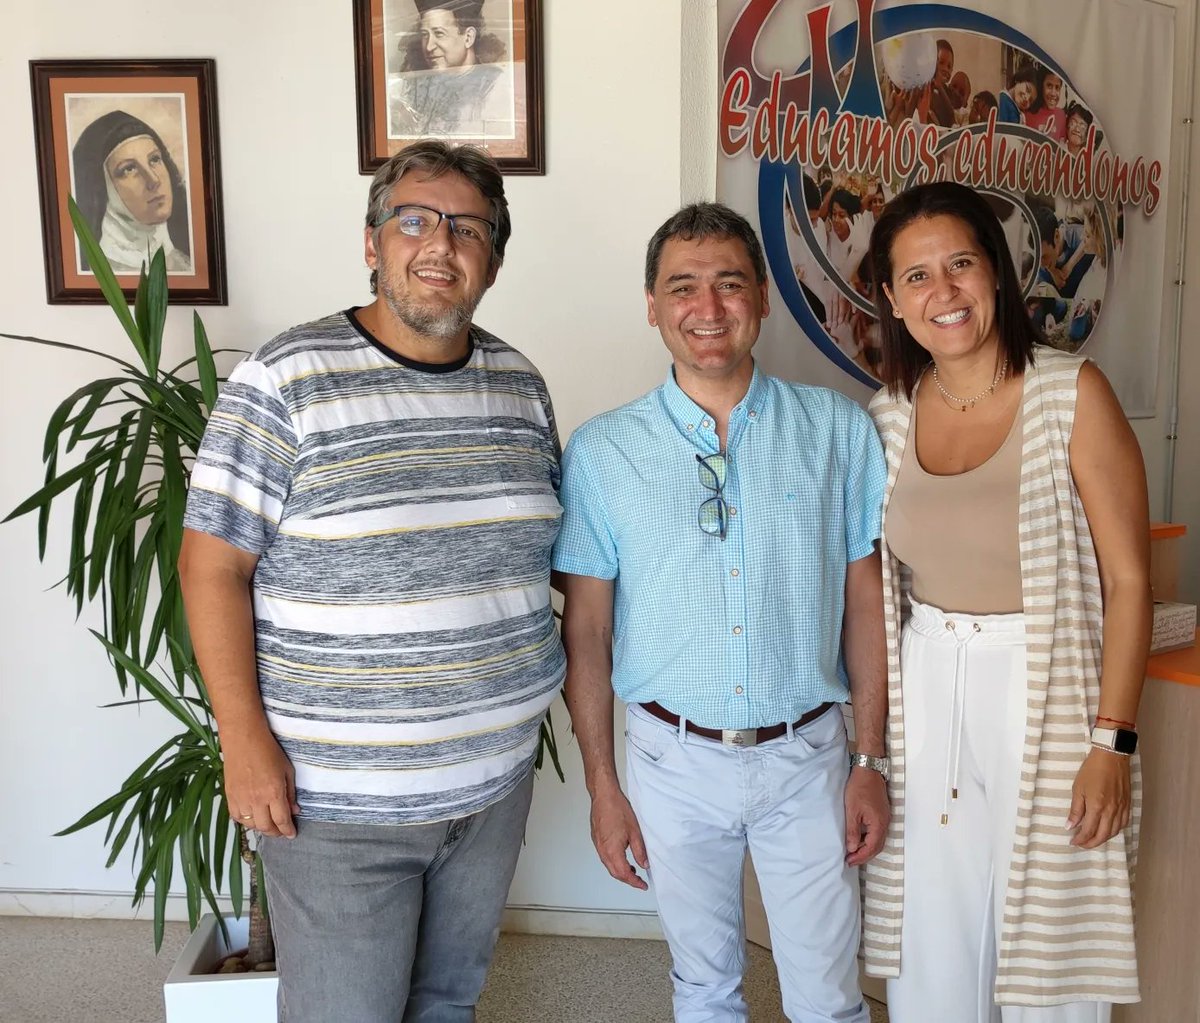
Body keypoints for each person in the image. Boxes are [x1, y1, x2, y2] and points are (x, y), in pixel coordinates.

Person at [178, 140, 564, 1022]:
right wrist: (243, 743)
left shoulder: (519, 384)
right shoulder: (286, 378)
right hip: (339, 802)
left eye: (468, 227)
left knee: (447, 1002)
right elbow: (211, 565)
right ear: (372, 241)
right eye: (414, 219)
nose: (441, 244)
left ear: (494, 258)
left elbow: (535, 554)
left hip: (494, 785)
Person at [554, 202, 890, 1023]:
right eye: (683, 286)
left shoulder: (837, 430)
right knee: (704, 989)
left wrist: (869, 760)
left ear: (763, 297)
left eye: (730, 283)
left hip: (808, 756)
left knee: (829, 997)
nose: (708, 307)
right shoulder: (603, 450)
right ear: (653, 305)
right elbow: (587, 633)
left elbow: (866, 605)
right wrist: (603, 786)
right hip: (670, 761)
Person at [863, 181, 1147, 1021]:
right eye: (917, 276)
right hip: (927, 685)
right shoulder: (888, 414)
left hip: (1044, 684)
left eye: (960, 264)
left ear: (995, 270)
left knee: (1049, 936)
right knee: (933, 932)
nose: (943, 292)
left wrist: (1112, 743)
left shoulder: (1071, 393)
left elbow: (1130, 581)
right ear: (893, 299)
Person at [70, 109, 192, 274]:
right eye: (128, 169)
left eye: (155, 159)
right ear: (104, 190)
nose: (154, 180)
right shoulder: (98, 273)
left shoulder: (184, 263)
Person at [389, 0, 513, 138]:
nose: (429, 47)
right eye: (425, 35)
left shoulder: (496, 86)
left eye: (439, 34)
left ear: (468, 37)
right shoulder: (413, 86)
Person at [1024, 67, 1067, 141]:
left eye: (1057, 88)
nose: (1053, 93)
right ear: (1041, 87)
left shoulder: (1061, 115)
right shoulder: (1027, 113)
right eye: (1049, 86)